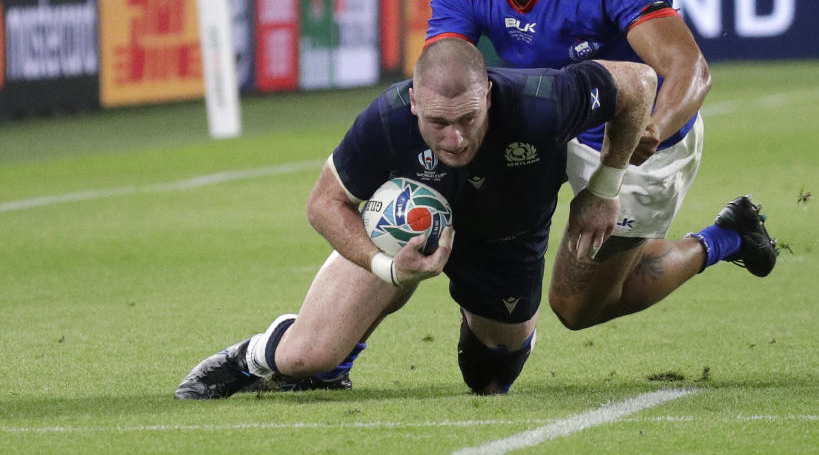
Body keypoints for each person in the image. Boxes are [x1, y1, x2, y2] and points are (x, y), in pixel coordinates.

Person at [176, 38, 681, 398]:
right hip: (403, 235)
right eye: (438, 122)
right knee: (306, 359)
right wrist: (387, 268)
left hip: (505, 246)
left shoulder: (542, 102)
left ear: (488, 93)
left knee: (489, 378)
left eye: (468, 118)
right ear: (415, 102)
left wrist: (604, 188)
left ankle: (486, 327)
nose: (455, 138)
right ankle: (257, 357)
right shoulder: (388, 118)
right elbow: (324, 203)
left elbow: (638, 81)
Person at [425, 0, 779, 333]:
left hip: (632, 146)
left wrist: (655, 126)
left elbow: (690, 67)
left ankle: (725, 238)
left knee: (576, 307)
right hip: (552, 126)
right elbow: (440, 77)